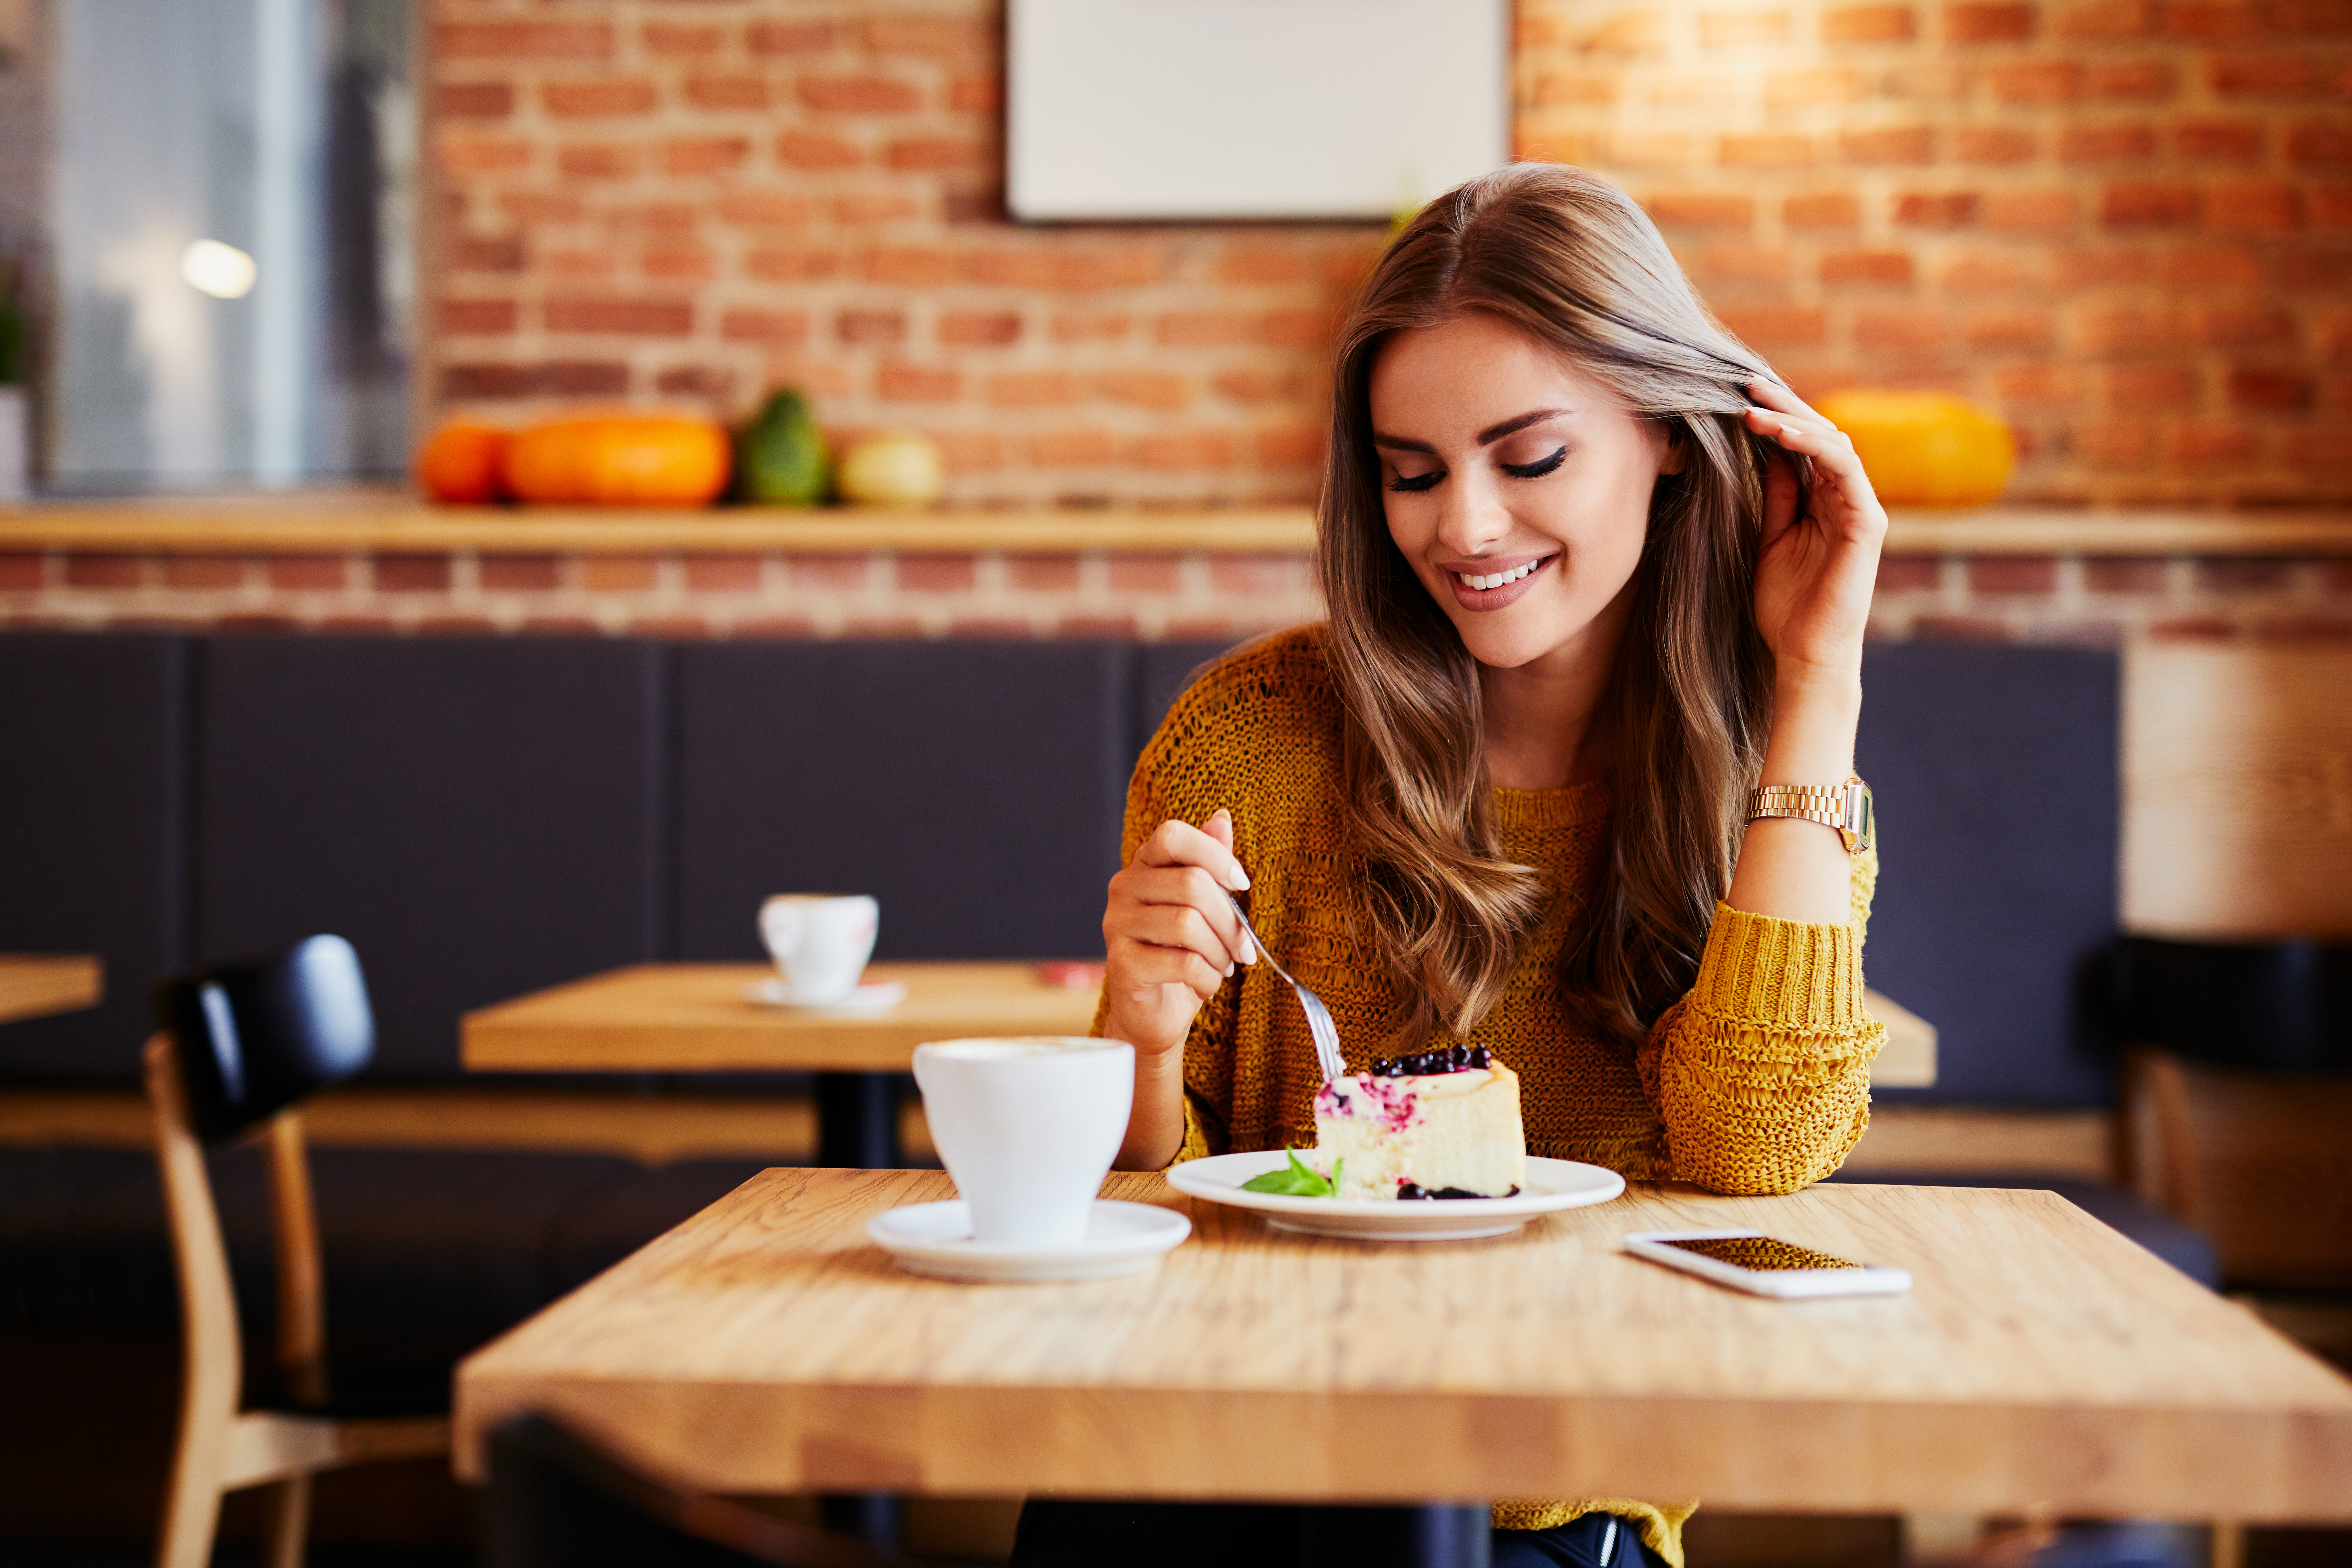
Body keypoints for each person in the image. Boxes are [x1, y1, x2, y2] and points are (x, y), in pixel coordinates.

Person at [1026, 163, 1890, 1568]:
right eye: (1412, 474)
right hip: (1213, 1464)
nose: (1464, 529)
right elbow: (1132, 1190)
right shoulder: (1248, 739)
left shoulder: (1778, 784)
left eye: (1529, 457)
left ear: (1672, 436)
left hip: (1546, 1498)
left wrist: (1819, 672)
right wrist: (1136, 1025)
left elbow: (1756, 1155)